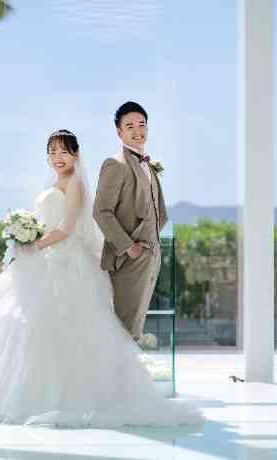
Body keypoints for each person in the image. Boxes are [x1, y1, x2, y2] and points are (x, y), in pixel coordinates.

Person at [0, 129, 203, 427]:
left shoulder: (76, 184)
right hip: (44, 259)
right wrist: (25, 235)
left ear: (76, 155)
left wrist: (34, 245)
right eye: (52, 152)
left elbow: (66, 228)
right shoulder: (54, 183)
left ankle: (64, 398)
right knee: (22, 324)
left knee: (69, 327)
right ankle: (14, 395)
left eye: (64, 151)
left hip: (67, 261)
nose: (57, 157)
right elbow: (47, 222)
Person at [94, 102, 167, 340]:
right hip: (129, 259)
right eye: (130, 126)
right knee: (123, 328)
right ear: (119, 132)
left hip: (150, 255)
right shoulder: (115, 164)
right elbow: (101, 211)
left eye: (142, 124)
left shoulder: (148, 165)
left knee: (135, 327)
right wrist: (130, 248)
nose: (138, 130)